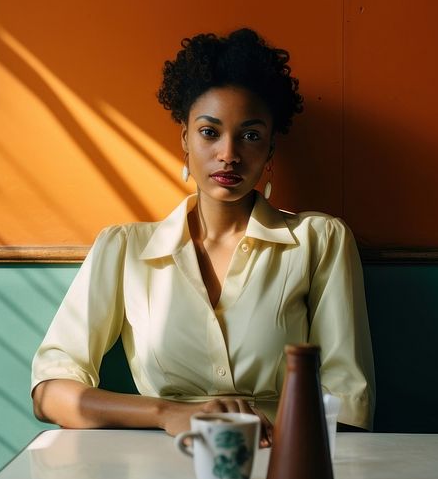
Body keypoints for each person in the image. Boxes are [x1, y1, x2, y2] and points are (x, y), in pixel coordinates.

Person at [31, 27, 375, 451]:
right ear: (185, 141)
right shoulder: (124, 249)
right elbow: (50, 391)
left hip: (283, 461)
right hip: (161, 464)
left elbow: (349, 404)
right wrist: (167, 413)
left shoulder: (318, 241)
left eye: (250, 135)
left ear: (269, 151)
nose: (228, 153)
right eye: (210, 132)